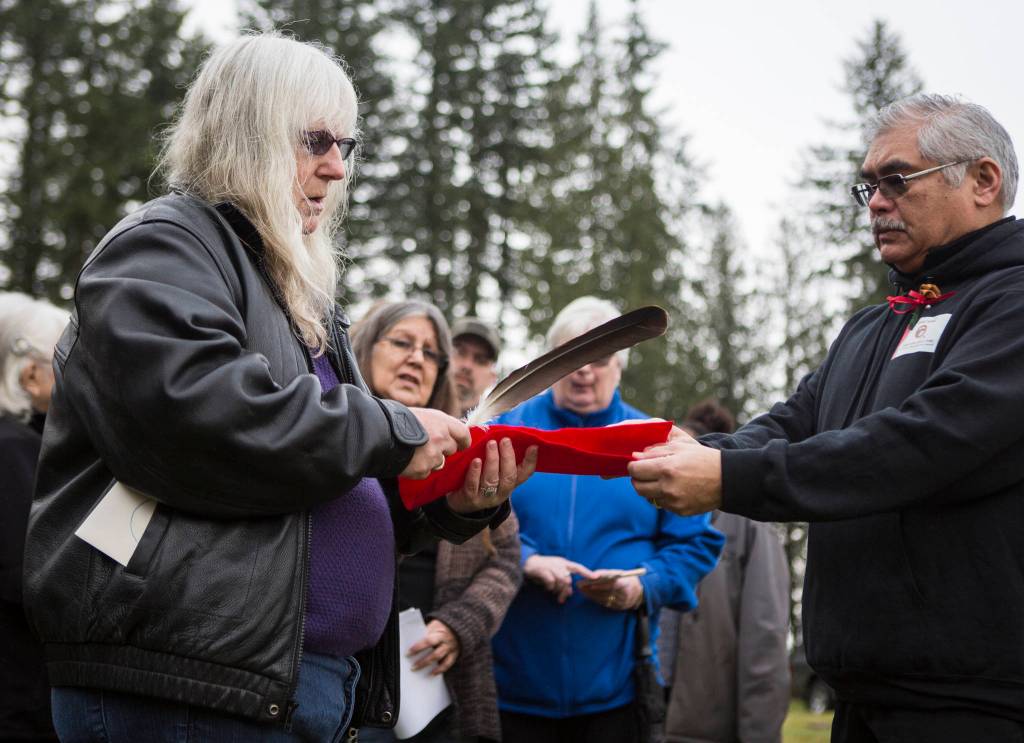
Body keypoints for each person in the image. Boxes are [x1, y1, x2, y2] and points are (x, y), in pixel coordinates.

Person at [22, 33, 535, 743]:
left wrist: (450, 505)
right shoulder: (165, 245)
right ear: (246, 132)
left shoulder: (297, 293)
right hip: (186, 686)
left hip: (282, 686)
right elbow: (202, 418)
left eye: (346, 146)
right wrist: (397, 428)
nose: (336, 167)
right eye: (315, 140)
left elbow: (324, 481)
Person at [628, 94, 1024, 741]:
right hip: (860, 699)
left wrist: (725, 474)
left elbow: (914, 446)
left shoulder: (1012, 305)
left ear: (984, 180)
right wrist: (686, 450)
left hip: (973, 706)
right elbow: (792, 422)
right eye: (867, 185)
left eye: (896, 179)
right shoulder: (873, 326)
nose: (874, 202)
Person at [491, 296, 725, 743]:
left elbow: (695, 545)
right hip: (509, 688)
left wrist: (642, 585)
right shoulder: (505, 434)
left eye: (598, 358)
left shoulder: (653, 442)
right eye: (571, 355)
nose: (583, 370)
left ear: (619, 366)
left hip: (617, 695)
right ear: (549, 360)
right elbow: (467, 526)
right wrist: (526, 560)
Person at [350, 300, 524, 743]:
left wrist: (458, 625)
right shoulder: (333, 435)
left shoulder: (465, 452)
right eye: (403, 343)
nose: (416, 359)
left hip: (433, 681)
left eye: (430, 353)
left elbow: (506, 560)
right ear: (365, 347)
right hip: (342, 677)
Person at [657, 400, 790, 743]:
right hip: (644, 716)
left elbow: (765, 640)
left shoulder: (751, 525)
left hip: (706, 729)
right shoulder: (650, 512)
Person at [1, 292, 67, 743]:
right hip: (19, 693)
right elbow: (26, 574)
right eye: (67, 364)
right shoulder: (11, 451)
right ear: (30, 376)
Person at [450, 317, 500, 418]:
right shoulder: (411, 414)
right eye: (459, 352)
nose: (467, 365)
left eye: (481, 360)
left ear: (492, 378)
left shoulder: (500, 430)